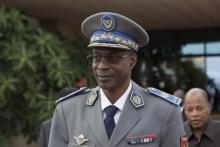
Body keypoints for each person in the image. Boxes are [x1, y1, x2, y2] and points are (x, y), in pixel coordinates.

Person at [48, 12, 186, 147]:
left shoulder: (164, 111)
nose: (102, 66)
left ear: (132, 61)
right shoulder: (68, 110)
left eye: (113, 58)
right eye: (97, 57)